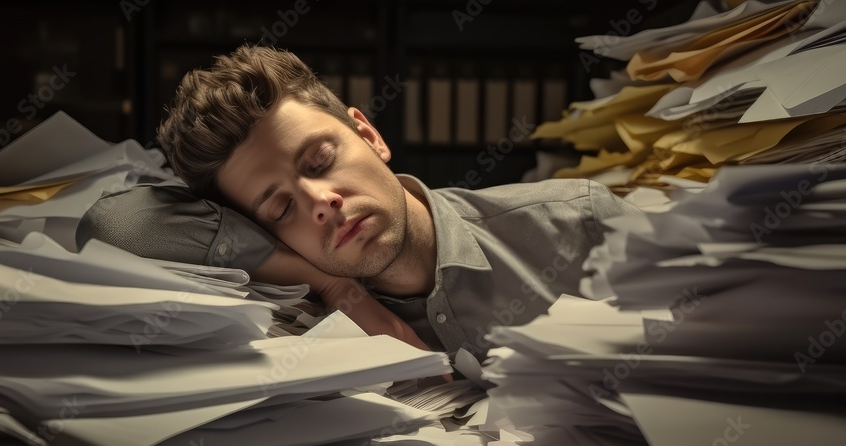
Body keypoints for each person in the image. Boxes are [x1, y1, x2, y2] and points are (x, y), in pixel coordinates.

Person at [148, 45, 638, 359]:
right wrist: (335, 288)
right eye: (280, 210)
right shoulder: (292, 303)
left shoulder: (581, 222)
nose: (321, 202)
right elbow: (112, 223)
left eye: (319, 161)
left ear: (369, 134)